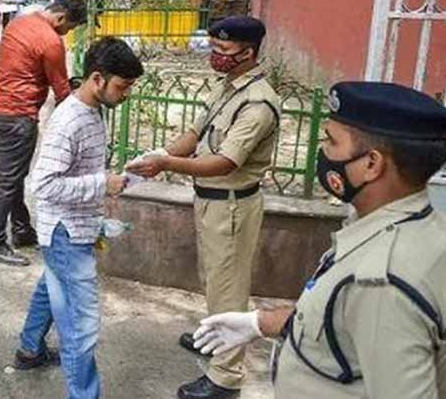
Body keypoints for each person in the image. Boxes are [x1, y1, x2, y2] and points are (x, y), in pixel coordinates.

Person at [191, 82, 446, 399]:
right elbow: (343, 317)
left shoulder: (382, 281)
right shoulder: (418, 231)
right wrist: (261, 323)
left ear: (371, 164)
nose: (322, 149)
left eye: (331, 141)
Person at [126, 16, 280, 399]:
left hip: (232, 207)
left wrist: (167, 164)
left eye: (224, 50)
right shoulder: (227, 88)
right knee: (213, 280)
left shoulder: (257, 104)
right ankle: (214, 338)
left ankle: (225, 379)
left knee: (228, 289)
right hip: (211, 202)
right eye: (213, 47)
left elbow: (225, 163)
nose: (216, 56)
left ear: (248, 52)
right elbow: (195, 135)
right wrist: (158, 155)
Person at [15, 37, 142, 399]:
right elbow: (44, 184)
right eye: (122, 86)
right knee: (80, 327)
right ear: (97, 79)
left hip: (73, 229)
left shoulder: (93, 110)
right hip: (65, 233)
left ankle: (29, 349)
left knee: (52, 286)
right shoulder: (69, 120)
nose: (126, 94)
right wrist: (102, 183)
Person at [0, 0, 88, 266]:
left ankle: (21, 229)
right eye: (69, 27)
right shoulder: (51, 41)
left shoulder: (19, 23)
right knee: (9, 179)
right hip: (18, 116)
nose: (67, 33)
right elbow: (61, 91)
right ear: (61, 18)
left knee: (14, 174)